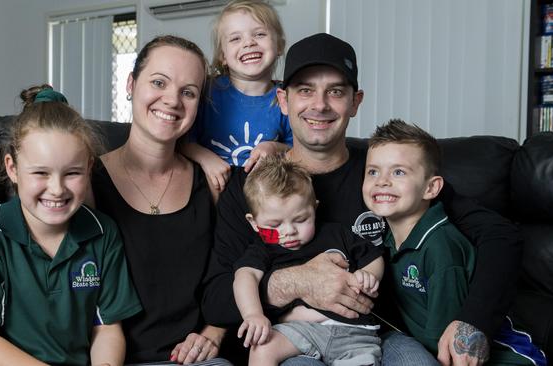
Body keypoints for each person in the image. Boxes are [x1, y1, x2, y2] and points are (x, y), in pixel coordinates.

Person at [201, 32, 524, 366]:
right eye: (305, 90)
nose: (320, 104)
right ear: (283, 101)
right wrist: (294, 282)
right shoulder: (251, 186)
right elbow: (215, 299)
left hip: (378, 334)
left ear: (356, 102)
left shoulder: (383, 177)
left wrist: (473, 321)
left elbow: (501, 236)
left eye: (336, 91)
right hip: (292, 338)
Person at [0, 36, 233, 366]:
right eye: (158, 82)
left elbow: (229, 269)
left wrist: (214, 332)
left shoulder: (211, 182)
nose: (172, 100)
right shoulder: (82, 188)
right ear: (131, 83)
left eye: (189, 92)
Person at [0, 85, 142, 366]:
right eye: (41, 172)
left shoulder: (103, 234)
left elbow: (106, 329)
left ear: (89, 168)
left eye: (72, 173)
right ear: (12, 168)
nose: (57, 189)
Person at [363, 119, 547, 366]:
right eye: (373, 171)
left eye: (398, 172)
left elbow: (446, 344)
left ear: (431, 188)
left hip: (507, 359)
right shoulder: (386, 239)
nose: (382, 181)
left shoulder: (440, 247)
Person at [233, 154, 383, 365]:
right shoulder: (264, 248)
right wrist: (253, 314)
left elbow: (373, 257)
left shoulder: (336, 234)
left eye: (301, 219)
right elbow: (244, 276)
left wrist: (368, 276)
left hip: (353, 333)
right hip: (297, 331)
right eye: (274, 225)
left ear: (314, 207)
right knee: (263, 347)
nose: (289, 231)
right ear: (254, 223)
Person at [181, 0, 292, 195]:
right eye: (235, 39)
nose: (248, 43)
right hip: (211, 189)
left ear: (280, 45)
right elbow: (182, 141)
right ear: (223, 55)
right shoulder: (208, 92)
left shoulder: (285, 98)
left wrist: (275, 147)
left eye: (259, 34)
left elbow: (298, 150)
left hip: (265, 196)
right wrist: (205, 157)